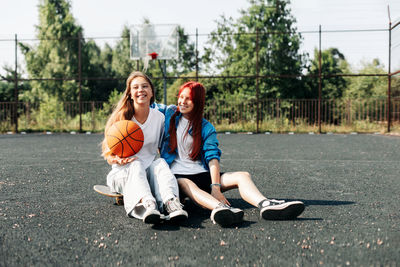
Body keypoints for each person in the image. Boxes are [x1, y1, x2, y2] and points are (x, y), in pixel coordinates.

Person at [160, 81, 305, 227]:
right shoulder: (169, 115)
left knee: (243, 176)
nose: (182, 102)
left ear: (197, 102)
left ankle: (265, 204)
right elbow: (146, 105)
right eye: (181, 97)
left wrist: (215, 187)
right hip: (178, 178)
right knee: (186, 183)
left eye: (188, 99)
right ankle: (220, 209)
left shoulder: (206, 127)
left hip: (202, 175)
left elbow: (212, 158)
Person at [101, 71, 187, 224]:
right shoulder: (121, 118)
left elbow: (164, 149)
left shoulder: (160, 118)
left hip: (147, 174)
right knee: (135, 164)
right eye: (135, 87)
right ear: (130, 94)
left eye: (145, 86)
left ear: (152, 92)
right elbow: (108, 154)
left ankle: (170, 202)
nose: (140, 90)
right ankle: (147, 205)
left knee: (160, 163)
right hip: (124, 173)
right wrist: (117, 159)